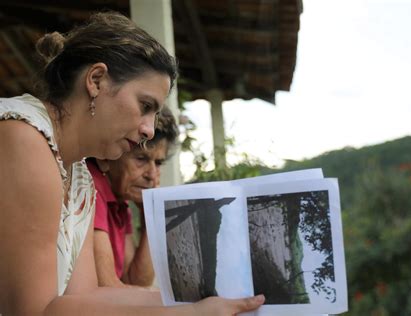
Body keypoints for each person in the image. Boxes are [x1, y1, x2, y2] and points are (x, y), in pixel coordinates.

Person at [0, 11, 264, 315]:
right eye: (145, 106)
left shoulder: (80, 178)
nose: (149, 130)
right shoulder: (23, 138)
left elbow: (84, 295)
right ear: (96, 80)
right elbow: (34, 310)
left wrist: (205, 301)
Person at [88, 106, 178, 288]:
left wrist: (150, 215)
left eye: (158, 163)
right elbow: (108, 289)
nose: (152, 174)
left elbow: (136, 281)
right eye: (141, 159)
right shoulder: (92, 185)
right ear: (110, 155)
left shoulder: (120, 202)